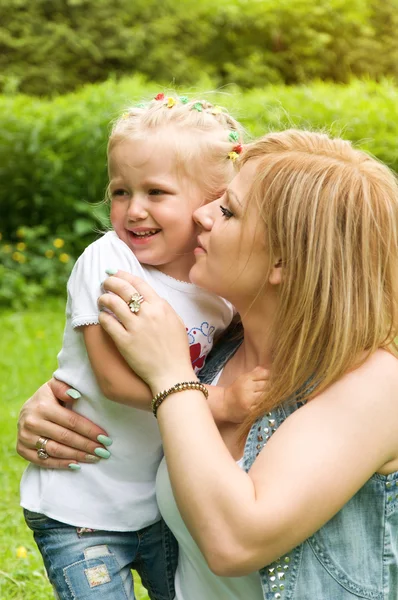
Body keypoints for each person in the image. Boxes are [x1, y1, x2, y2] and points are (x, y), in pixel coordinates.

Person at [19, 129, 398, 599]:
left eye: (228, 210)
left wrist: (171, 378)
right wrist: (59, 404)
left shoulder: (375, 384)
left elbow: (235, 544)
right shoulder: (222, 353)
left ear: (283, 260)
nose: (200, 214)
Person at [19, 93, 267, 600]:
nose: (133, 210)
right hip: (81, 505)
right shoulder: (110, 261)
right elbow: (111, 379)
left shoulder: (218, 287)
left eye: (157, 192)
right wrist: (220, 402)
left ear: (210, 204)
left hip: (156, 507)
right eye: (120, 191)